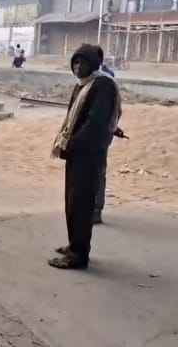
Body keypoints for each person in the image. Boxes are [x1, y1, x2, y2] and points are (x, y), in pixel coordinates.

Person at [49, 44, 121, 270]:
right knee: (72, 202)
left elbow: (95, 123)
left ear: (94, 64)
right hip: (76, 153)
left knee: (81, 204)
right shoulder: (83, 85)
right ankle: (74, 244)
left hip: (88, 154)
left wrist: (74, 143)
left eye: (83, 63)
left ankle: (79, 254)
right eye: (75, 62)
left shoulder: (102, 86)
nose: (78, 67)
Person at [92, 45, 127, 225]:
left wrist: (110, 128)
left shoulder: (104, 82)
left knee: (96, 172)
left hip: (97, 137)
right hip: (97, 136)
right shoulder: (88, 81)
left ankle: (95, 210)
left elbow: (109, 112)